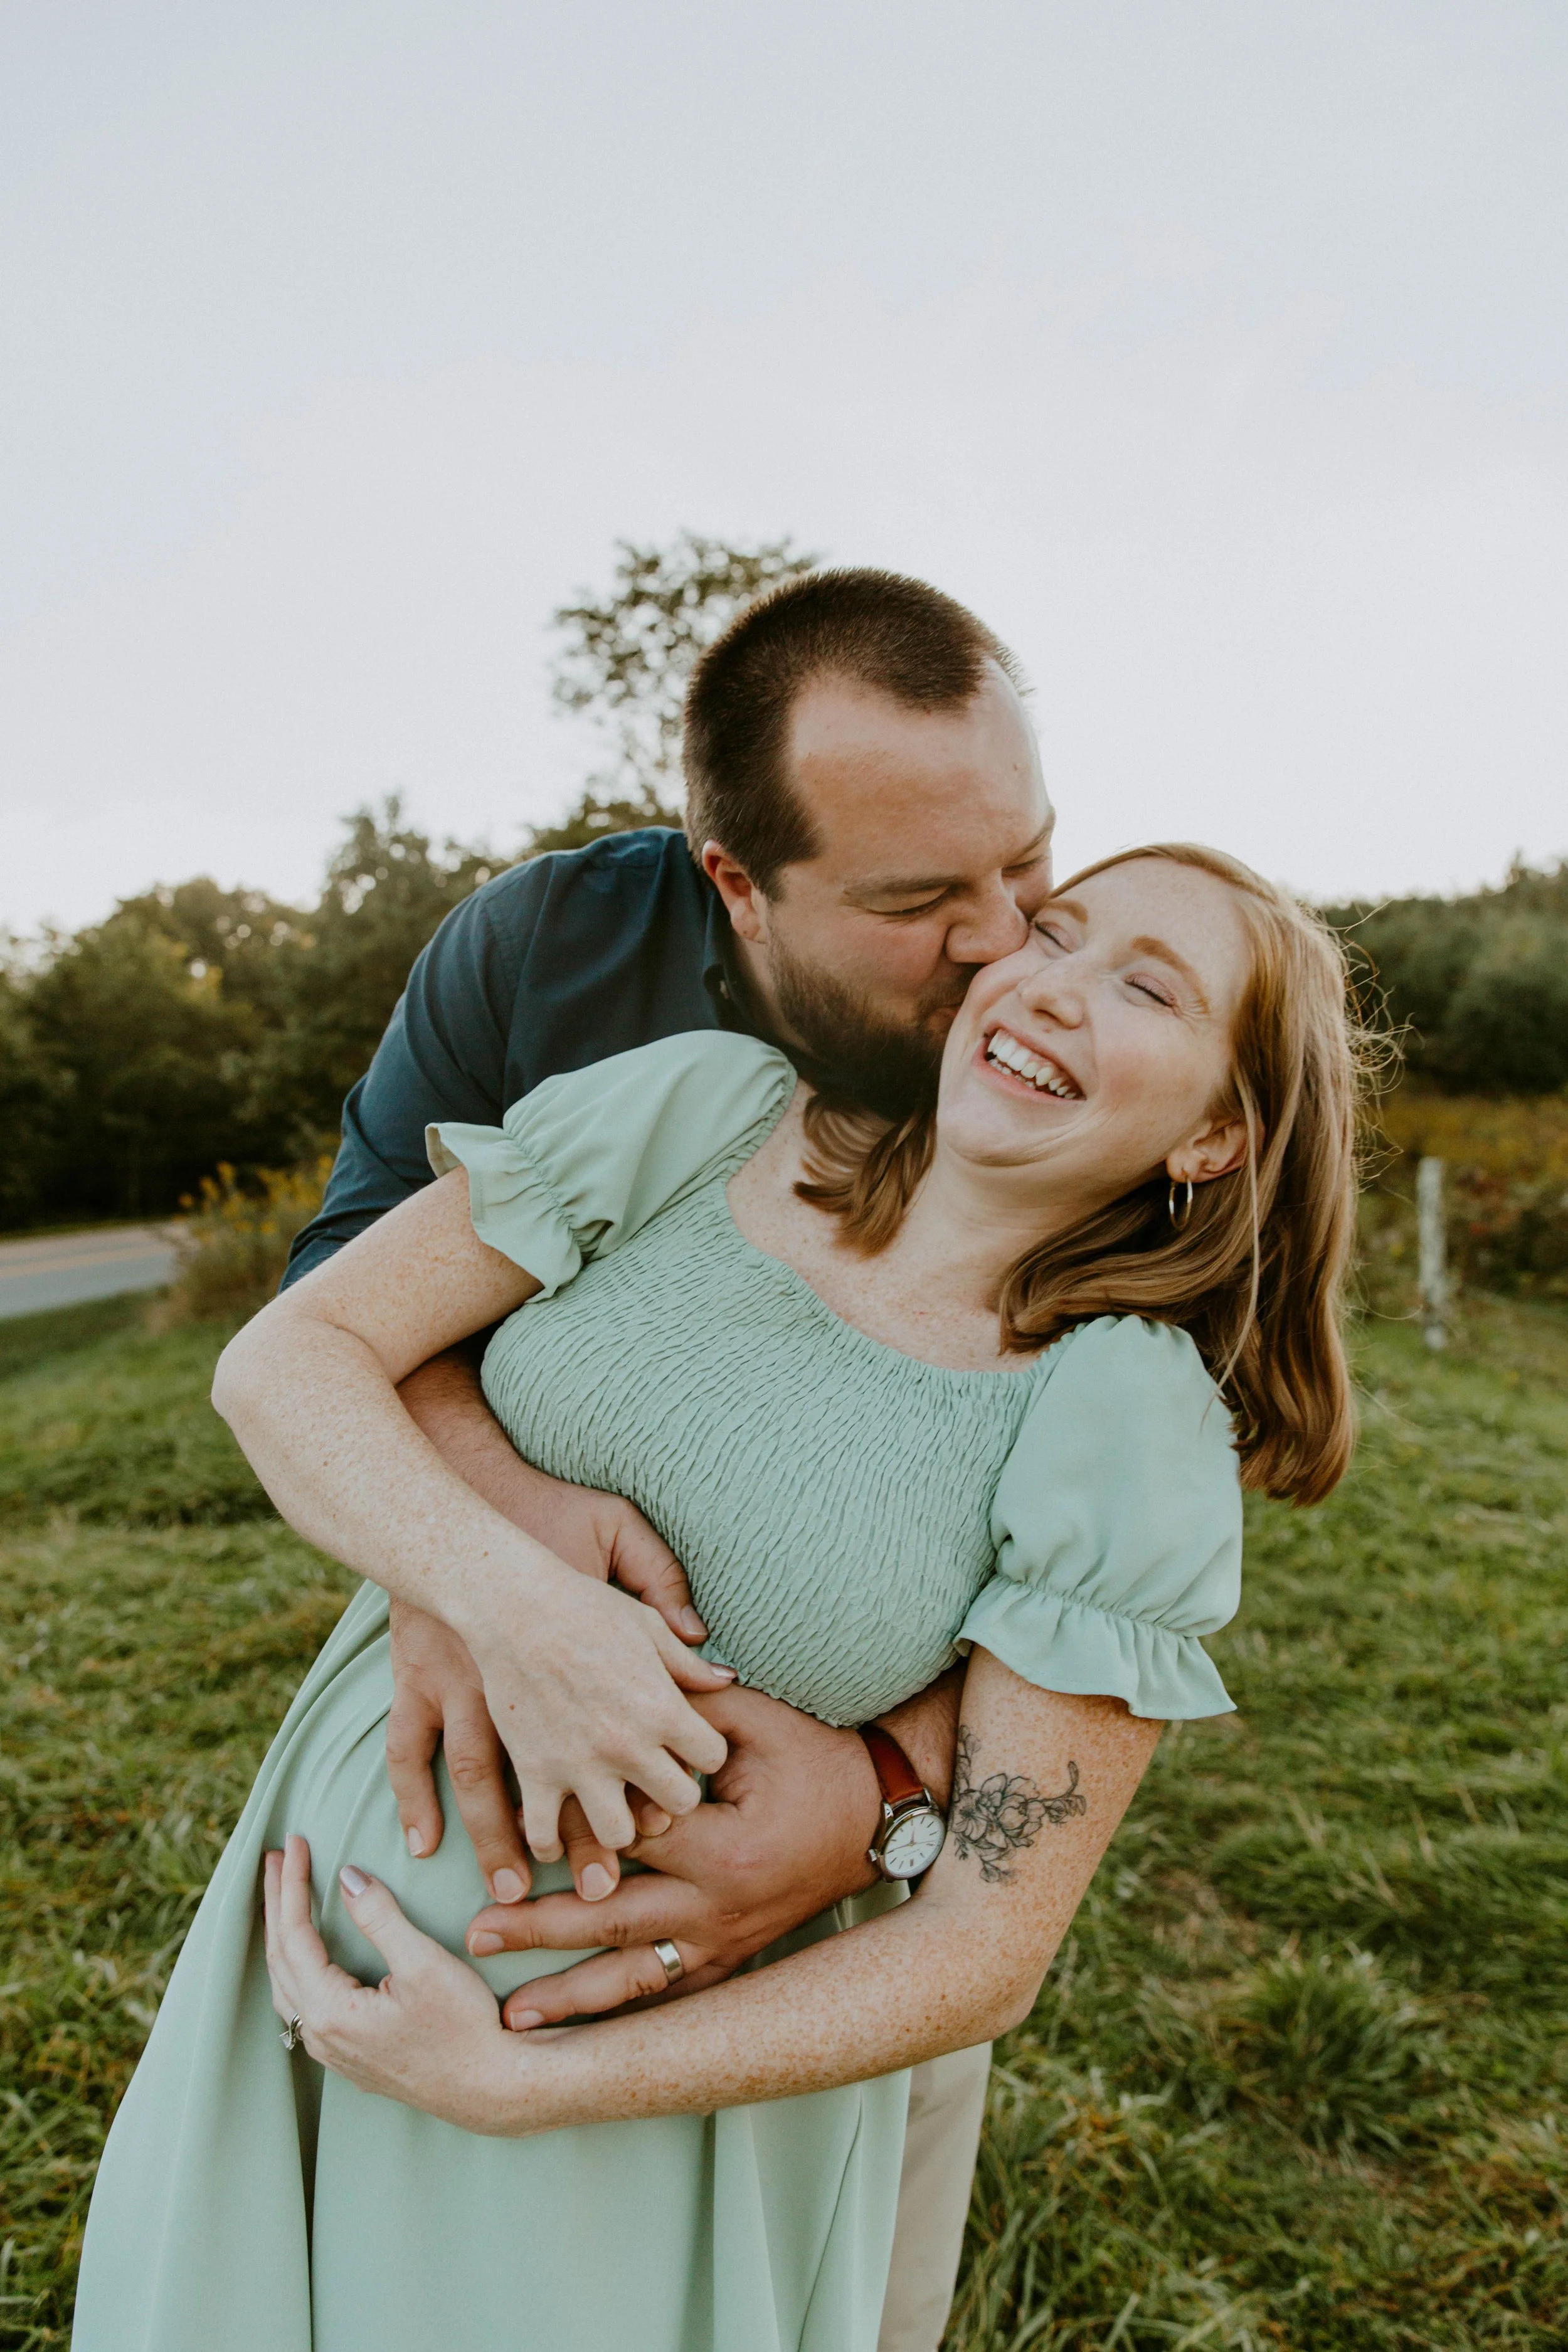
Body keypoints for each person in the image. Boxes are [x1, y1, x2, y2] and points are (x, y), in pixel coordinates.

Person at [72, 838, 1365, 2352]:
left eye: (1145, 989)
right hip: (313, 1935)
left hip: (624, 2114)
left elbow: (984, 1948)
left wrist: (522, 2084)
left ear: (1215, 1135)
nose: (1050, 987)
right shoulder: (703, 1111)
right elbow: (291, 1359)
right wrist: (518, 1604)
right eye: (1054, 932)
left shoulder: (1121, 1418)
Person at [283, 568, 1057, 2349]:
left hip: (859, 1897)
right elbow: (339, 1293)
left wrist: (885, 1790)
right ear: (736, 881)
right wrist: (487, 1551)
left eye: (1028, 859)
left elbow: (1099, 1556)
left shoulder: (1066, 1029)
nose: (1008, 943)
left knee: (845, 2291)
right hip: (480, 1832)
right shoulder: (544, 952)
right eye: (917, 901)